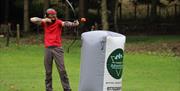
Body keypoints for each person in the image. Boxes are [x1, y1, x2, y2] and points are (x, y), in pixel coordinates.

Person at [30, 8, 79, 91]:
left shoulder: (58, 22)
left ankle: (67, 88)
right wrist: (44, 20)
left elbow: (66, 23)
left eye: (54, 15)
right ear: (47, 16)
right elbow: (32, 19)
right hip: (48, 49)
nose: (53, 17)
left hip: (57, 49)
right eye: (51, 16)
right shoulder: (44, 22)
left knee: (62, 70)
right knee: (48, 71)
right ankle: (48, 89)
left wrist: (74, 24)